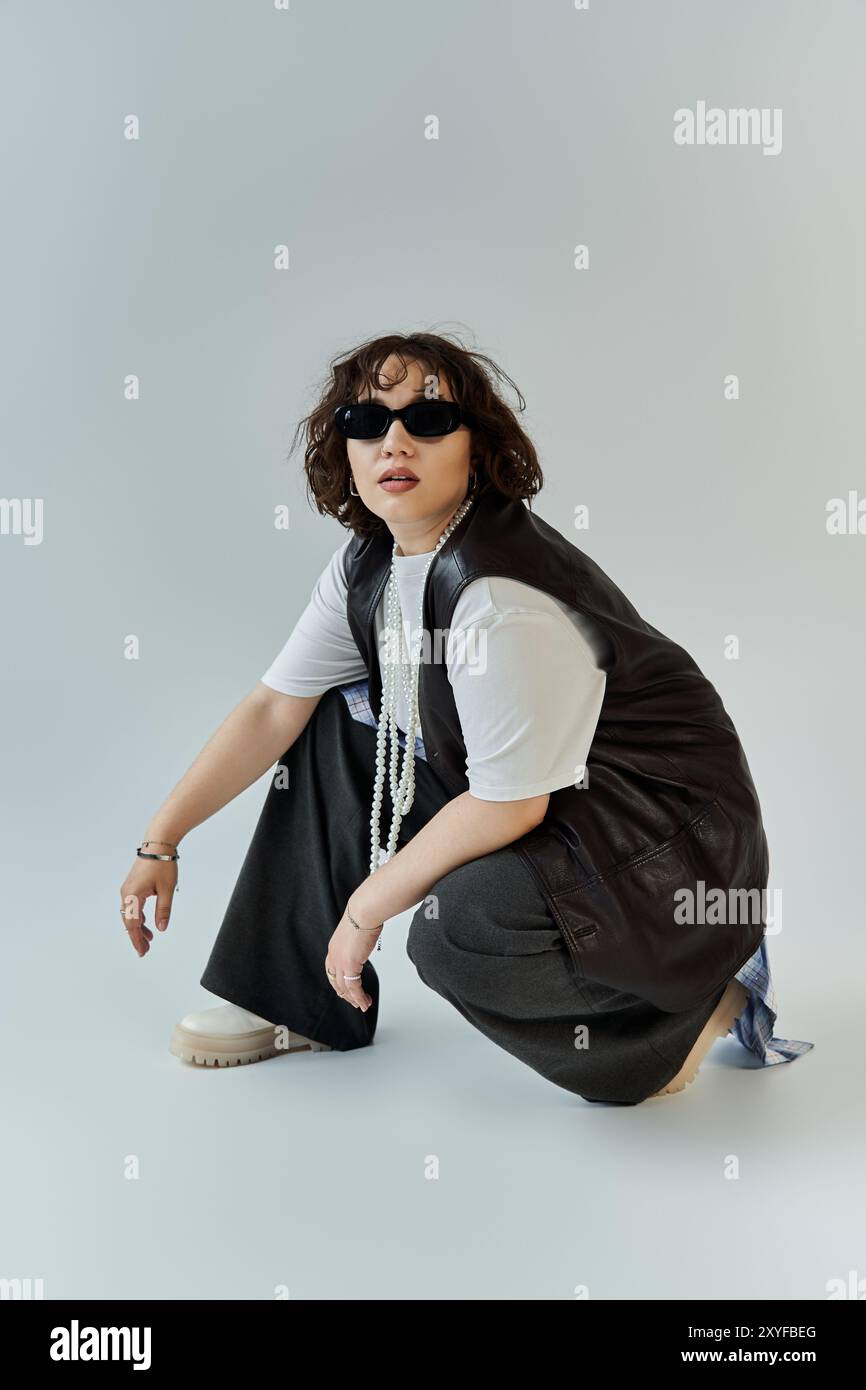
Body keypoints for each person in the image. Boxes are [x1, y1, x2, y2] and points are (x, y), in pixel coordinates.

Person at [119, 332, 813, 1105]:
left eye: (429, 419)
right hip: (561, 796)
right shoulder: (370, 565)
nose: (395, 442)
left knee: (460, 928)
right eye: (367, 422)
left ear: (476, 447)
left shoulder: (497, 593)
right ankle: (299, 1003)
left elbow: (512, 803)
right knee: (333, 727)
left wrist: (363, 910)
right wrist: (163, 838)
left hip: (663, 837)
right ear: (342, 449)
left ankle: (665, 1030)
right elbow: (273, 706)